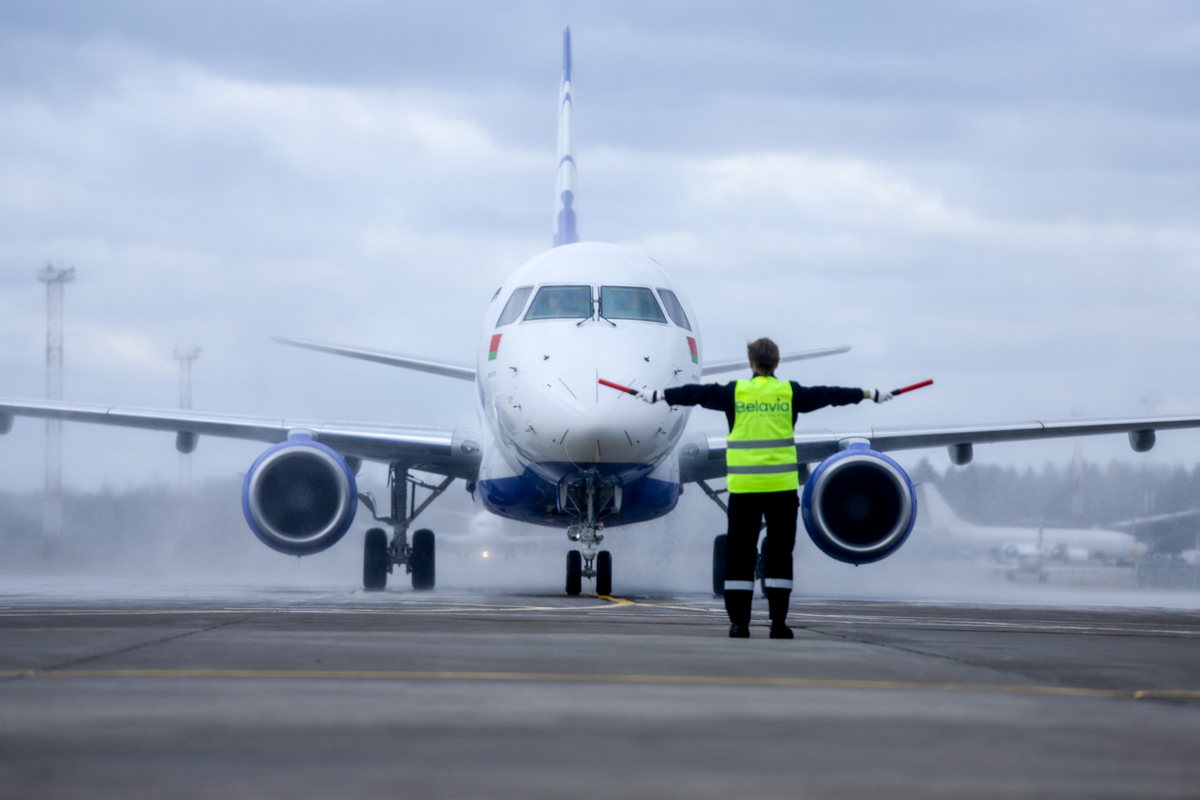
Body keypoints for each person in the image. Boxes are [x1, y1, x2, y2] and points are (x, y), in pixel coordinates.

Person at [640, 337, 893, 639]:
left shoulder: (735, 393)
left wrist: (659, 395)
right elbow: (829, 395)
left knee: (739, 556)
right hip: (781, 491)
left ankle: (739, 624)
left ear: (750, 362)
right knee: (780, 555)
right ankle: (778, 624)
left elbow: (695, 394)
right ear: (777, 362)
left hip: (745, 489)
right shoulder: (788, 393)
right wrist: (869, 394)